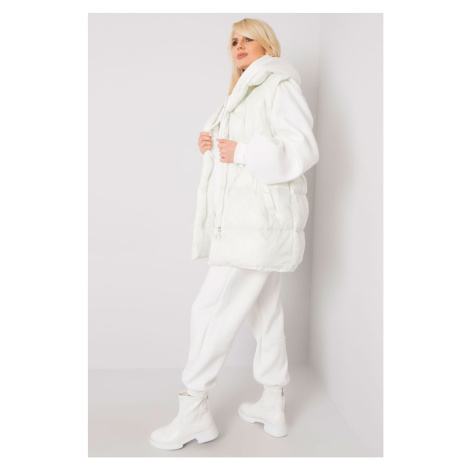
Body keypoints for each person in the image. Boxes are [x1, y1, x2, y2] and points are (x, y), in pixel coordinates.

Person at [149, 18, 320, 450]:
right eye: (233, 41)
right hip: (252, 224)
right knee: (265, 313)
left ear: (267, 46)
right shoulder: (243, 92)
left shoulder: (278, 84)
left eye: (248, 39)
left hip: (256, 227)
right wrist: (213, 144)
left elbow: (302, 148)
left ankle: (193, 409)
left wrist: (242, 151)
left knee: (210, 309)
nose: (238, 46)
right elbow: (239, 154)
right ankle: (272, 402)